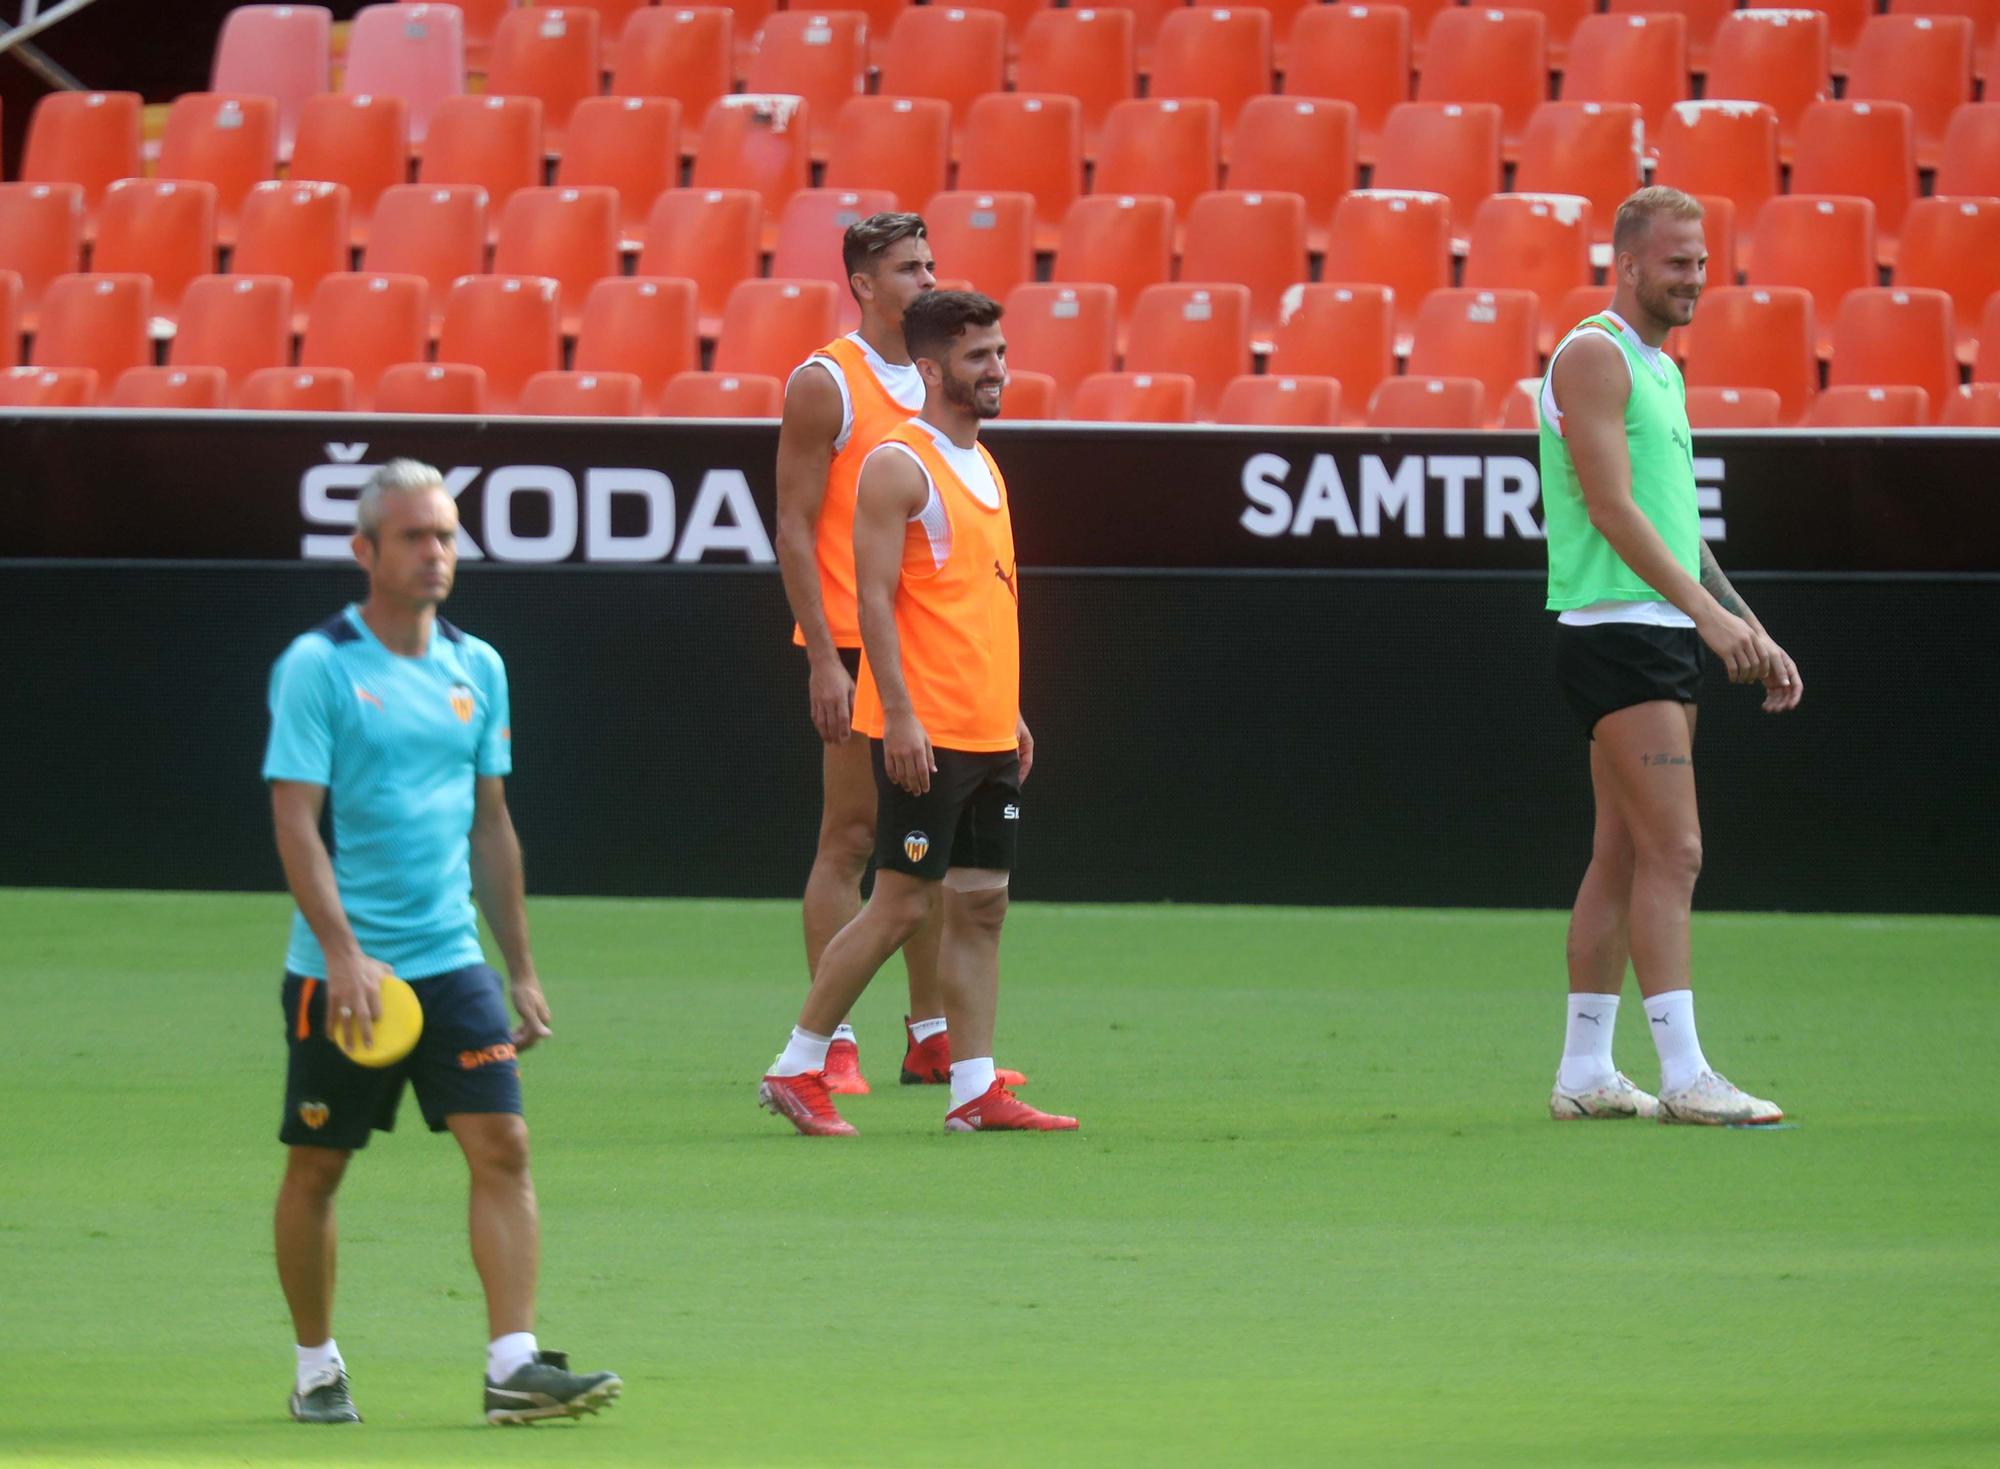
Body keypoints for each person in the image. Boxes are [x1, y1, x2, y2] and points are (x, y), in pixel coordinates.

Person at [264, 459, 621, 1424]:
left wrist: (522, 967)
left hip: (449, 959)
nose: (437, 553)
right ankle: (315, 1364)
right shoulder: (319, 665)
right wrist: (340, 950)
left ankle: (513, 1366)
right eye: (416, 537)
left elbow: (491, 822)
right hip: (344, 972)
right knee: (320, 1164)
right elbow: (296, 820)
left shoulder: (480, 666)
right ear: (365, 551)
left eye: (448, 536)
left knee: (502, 1143)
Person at [759, 290, 1077, 1137]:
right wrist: (895, 715)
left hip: (985, 725)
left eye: (1001, 353)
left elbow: (984, 600)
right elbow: (872, 599)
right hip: (927, 727)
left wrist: (1010, 711)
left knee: (982, 902)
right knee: (900, 901)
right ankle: (798, 1063)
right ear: (931, 369)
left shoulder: (985, 461)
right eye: (979, 358)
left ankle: (972, 1089)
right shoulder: (899, 464)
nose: (998, 370)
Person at [1537, 187, 1804, 1127]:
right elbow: (1610, 508)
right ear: (1630, 264)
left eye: (1702, 260)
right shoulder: (1593, 356)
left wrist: (1745, 621)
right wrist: (1706, 617)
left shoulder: (1657, 369)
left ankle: (1584, 1069)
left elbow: (1678, 529)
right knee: (1677, 850)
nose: (1695, 278)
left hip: (1654, 627)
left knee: (1621, 854)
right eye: (1678, 262)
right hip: (1617, 632)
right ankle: (1685, 1073)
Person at [774, 211, 1022, 1095]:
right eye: (905, 266)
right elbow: (795, 528)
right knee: (853, 839)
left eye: (929, 261)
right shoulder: (827, 382)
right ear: (863, 285)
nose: (924, 276)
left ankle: (932, 1034)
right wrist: (823, 659)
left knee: (928, 851)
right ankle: (831, 1038)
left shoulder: (937, 385)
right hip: (855, 636)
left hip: (920, 637)